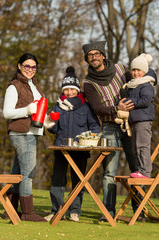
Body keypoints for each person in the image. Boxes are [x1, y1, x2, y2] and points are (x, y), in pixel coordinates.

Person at [82, 40, 138, 221]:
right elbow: (98, 108)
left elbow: (136, 86)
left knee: (136, 168)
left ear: (103, 55)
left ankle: (140, 211)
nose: (94, 57)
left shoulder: (121, 69)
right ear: (87, 59)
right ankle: (109, 212)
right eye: (90, 55)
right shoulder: (88, 83)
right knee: (109, 172)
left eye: (97, 54)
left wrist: (130, 105)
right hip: (108, 126)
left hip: (130, 124)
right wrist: (116, 108)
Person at [44, 66, 100, 222]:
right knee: (57, 180)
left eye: (72, 89)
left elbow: (95, 127)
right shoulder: (58, 106)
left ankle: (75, 211)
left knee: (78, 180)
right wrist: (49, 123)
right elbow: (54, 130)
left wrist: (90, 137)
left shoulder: (86, 106)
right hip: (61, 148)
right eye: (66, 89)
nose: (69, 92)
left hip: (80, 149)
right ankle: (56, 211)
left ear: (77, 90)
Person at [2, 53, 47, 222]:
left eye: (33, 67)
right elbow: (7, 113)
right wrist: (27, 110)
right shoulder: (14, 86)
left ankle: (10, 211)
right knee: (28, 173)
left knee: (18, 173)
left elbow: (37, 111)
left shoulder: (35, 86)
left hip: (32, 133)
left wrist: (48, 121)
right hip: (21, 134)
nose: (30, 70)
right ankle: (28, 213)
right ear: (19, 66)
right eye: (27, 66)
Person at [119, 53, 157, 179]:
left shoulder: (146, 84)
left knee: (142, 145)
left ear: (144, 71)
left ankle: (145, 171)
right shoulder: (133, 84)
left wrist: (131, 103)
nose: (135, 73)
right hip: (134, 120)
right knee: (135, 147)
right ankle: (138, 169)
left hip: (143, 120)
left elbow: (146, 100)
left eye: (138, 70)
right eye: (133, 70)